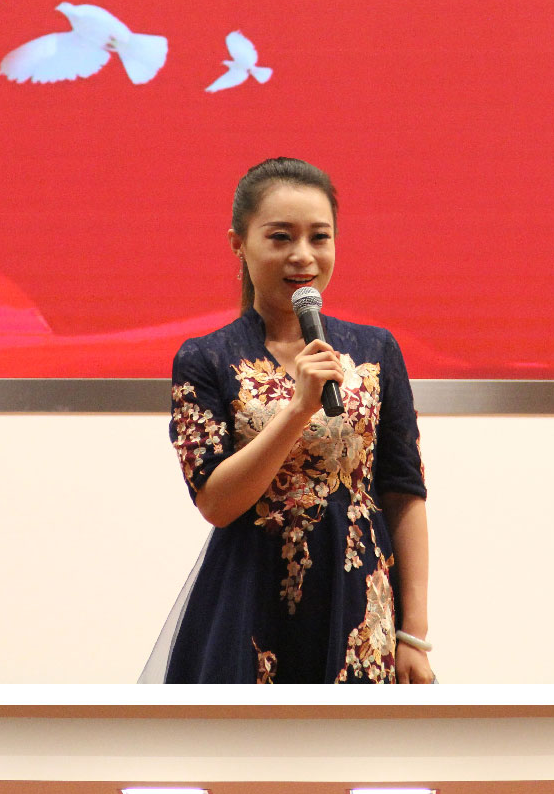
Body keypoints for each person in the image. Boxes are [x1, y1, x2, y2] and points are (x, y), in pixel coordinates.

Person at [141, 157, 433, 684]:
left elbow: (403, 492)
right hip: (248, 602)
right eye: (280, 237)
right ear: (238, 244)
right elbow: (216, 502)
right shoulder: (204, 358)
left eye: (319, 237)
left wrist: (414, 633)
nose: (303, 255)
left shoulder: (376, 350)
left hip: (358, 603)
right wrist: (298, 409)